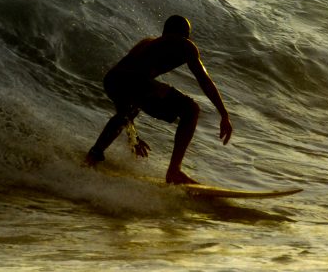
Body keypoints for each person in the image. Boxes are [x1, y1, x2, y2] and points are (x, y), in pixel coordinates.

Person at [85, 15, 233, 184]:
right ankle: (174, 172)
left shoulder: (147, 43)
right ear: (185, 35)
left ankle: (92, 158)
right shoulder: (186, 45)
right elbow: (204, 80)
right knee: (191, 109)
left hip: (113, 80)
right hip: (134, 80)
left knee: (126, 112)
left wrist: (134, 136)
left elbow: (124, 83)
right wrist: (224, 114)